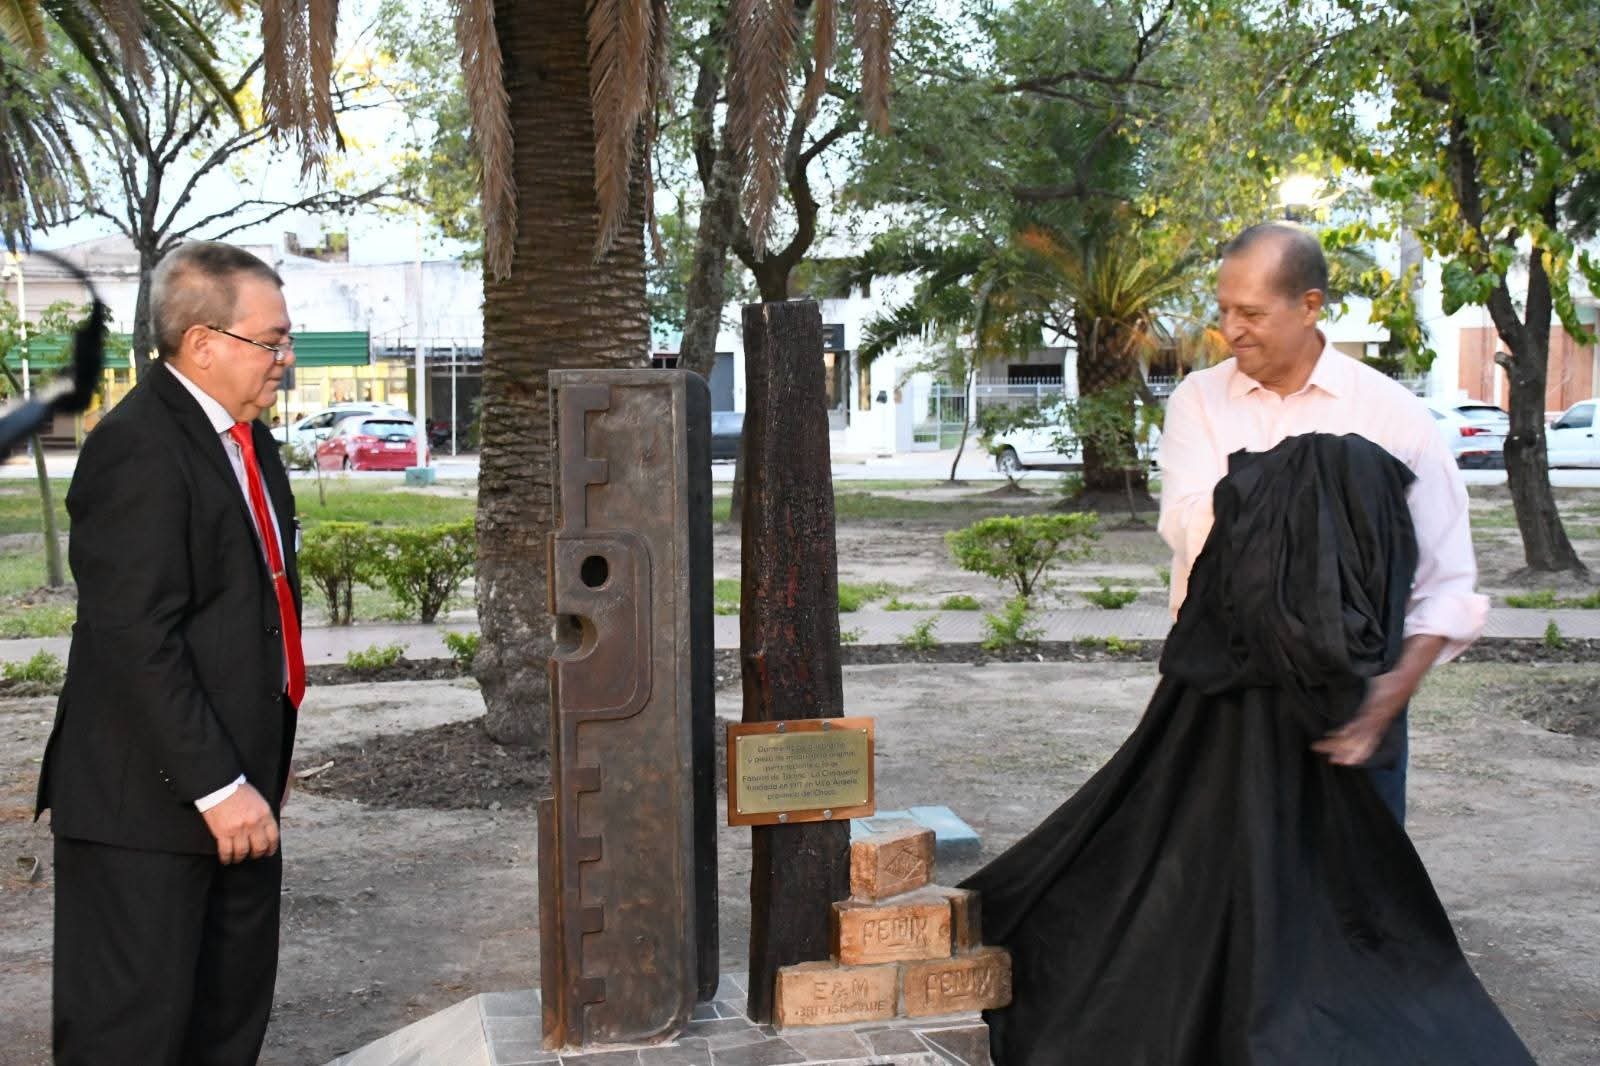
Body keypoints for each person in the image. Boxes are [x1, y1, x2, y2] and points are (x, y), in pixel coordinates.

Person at [36, 240, 305, 1064]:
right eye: (273, 341)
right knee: (133, 1035)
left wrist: (256, 764)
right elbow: (134, 638)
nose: (287, 360)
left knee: (225, 1026)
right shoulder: (138, 447)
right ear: (203, 343)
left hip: (240, 789)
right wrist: (217, 787)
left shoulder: (249, 441)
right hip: (150, 808)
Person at [1157, 222, 1487, 821]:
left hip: (1352, 708)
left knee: (1358, 879)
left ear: (1310, 306)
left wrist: (1386, 699)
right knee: (1218, 872)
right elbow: (1189, 533)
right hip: (1224, 695)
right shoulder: (1199, 402)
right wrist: (1319, 491)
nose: (1231, 329)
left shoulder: (1392, 416)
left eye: (1251, 313)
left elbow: (1446, 584)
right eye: (1224, 309)